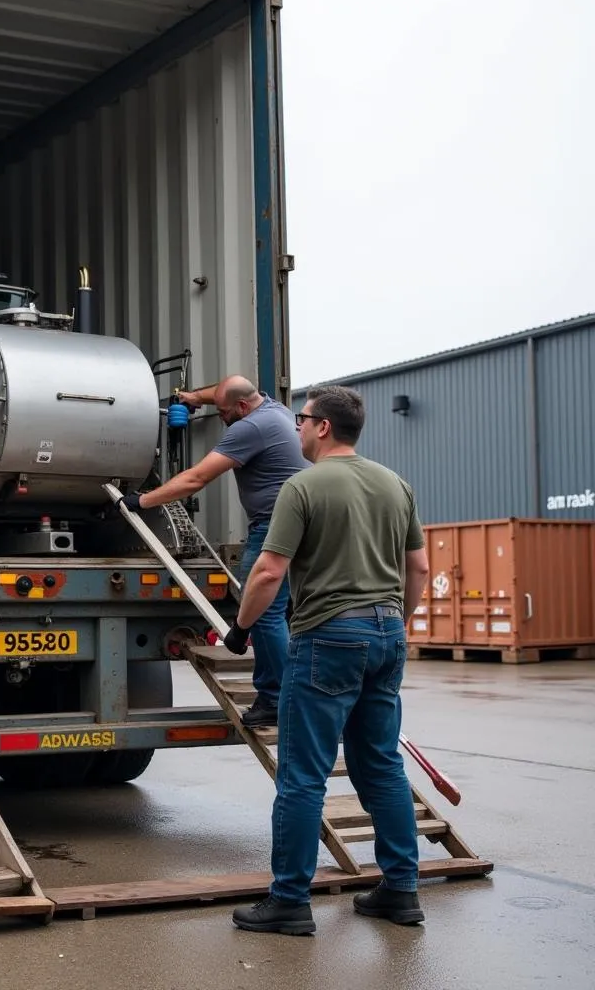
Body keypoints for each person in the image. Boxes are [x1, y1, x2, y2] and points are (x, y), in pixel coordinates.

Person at [224, 385, 431, 936]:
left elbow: (268, 572)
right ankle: (401, 890)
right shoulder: (395, 484)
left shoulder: (303, 486)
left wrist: (241, 628)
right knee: (382, 764)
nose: (295, 428)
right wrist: (393, 620)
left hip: (327, 638)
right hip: (388, 634)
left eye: (301, 419)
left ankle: (289, 901)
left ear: (321, 428)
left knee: (301, 776)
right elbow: (420, 571)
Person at [119, 376, 307, 728]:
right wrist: (195, 398)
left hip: (274, 528)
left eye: (222, 412)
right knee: (281, 615)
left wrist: (141, 501)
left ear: (241, 407)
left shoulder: (249, 428)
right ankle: (295, 695)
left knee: (263, 612)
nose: (219, 417)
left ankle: (276, 700)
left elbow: (196, 479)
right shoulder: (276, 410)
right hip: (305, 524)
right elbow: (226, 390)